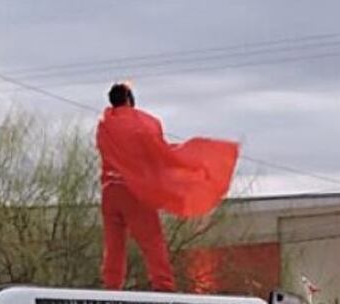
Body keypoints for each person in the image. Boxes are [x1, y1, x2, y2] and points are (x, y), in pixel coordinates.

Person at [96, 82, 237, 292]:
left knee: (114, 245)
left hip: (109, 192)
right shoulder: (142, 124)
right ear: (129, 99)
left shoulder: (104, 126)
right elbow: (156, 153)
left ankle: (111, 286)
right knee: (152, 241)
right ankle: (163, 286)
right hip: (134, 190)